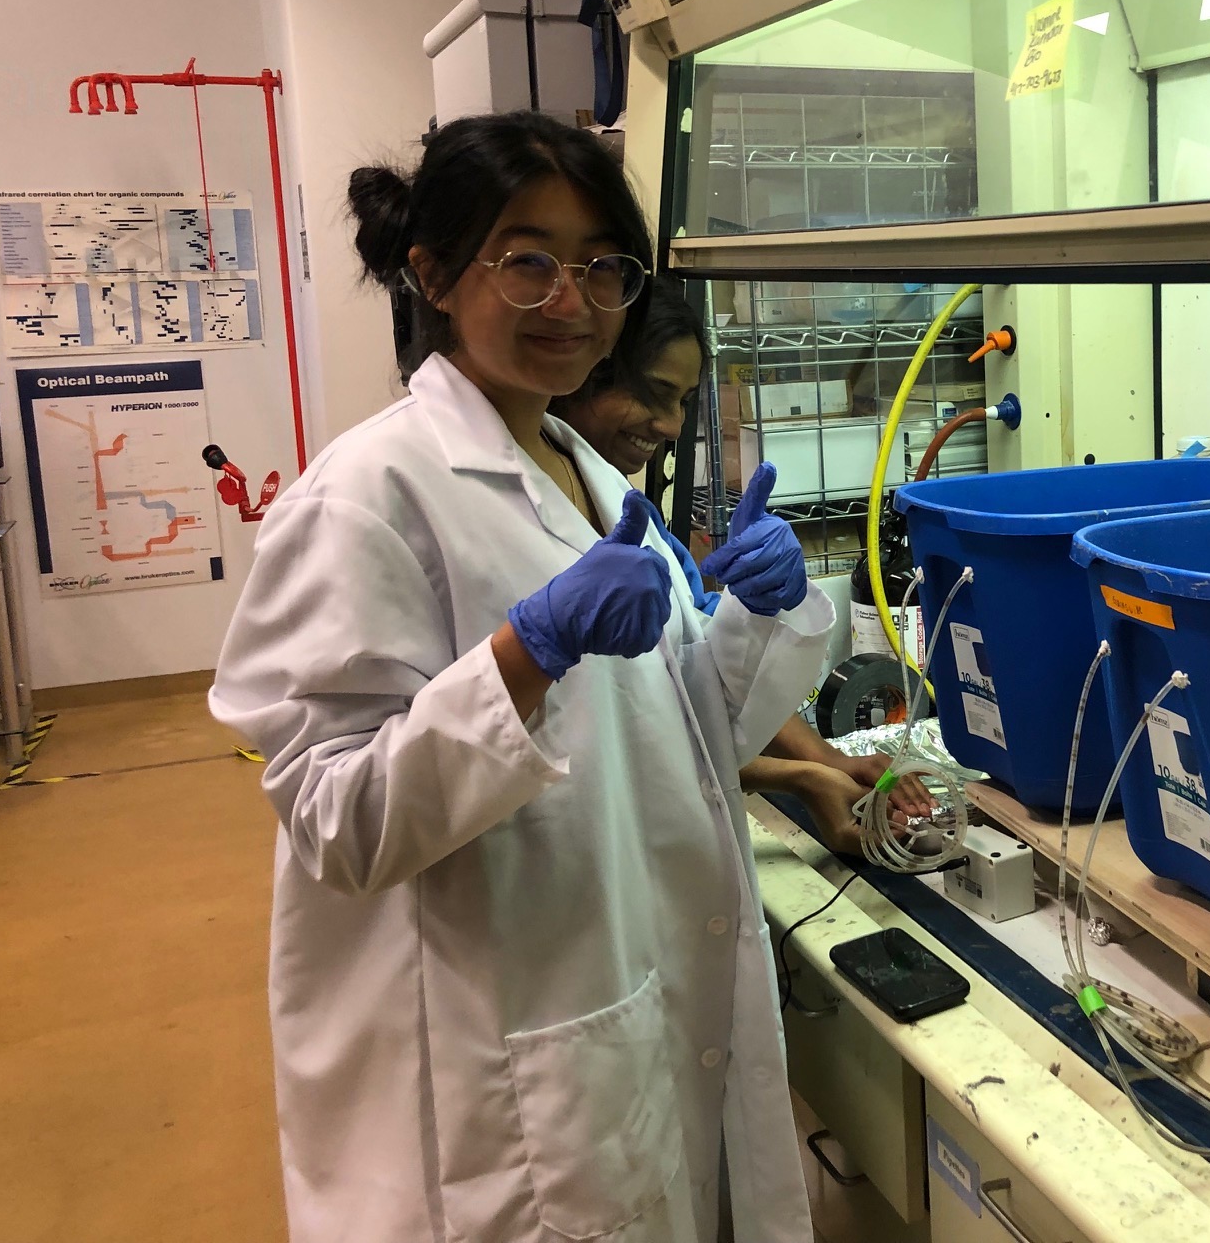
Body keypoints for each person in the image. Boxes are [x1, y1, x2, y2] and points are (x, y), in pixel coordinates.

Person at [209, 111, 831, 1243]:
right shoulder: (367, 497)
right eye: (528, 258)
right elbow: (336, 823)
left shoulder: (583, 462)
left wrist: (757, 616)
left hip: (614, 988)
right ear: (434, 271)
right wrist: (522, 652)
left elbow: (679, 744)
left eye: (604, 266)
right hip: (487, 1069)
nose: (573, 299)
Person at [550, 289, 934, 852]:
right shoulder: (525, 532)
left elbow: (704, 680)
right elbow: (609, 745)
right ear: (583, 371)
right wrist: (802, 777)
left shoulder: (637, 520)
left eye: (684, 401)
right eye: (655, 393)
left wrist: (825, 762)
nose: (671, 425)